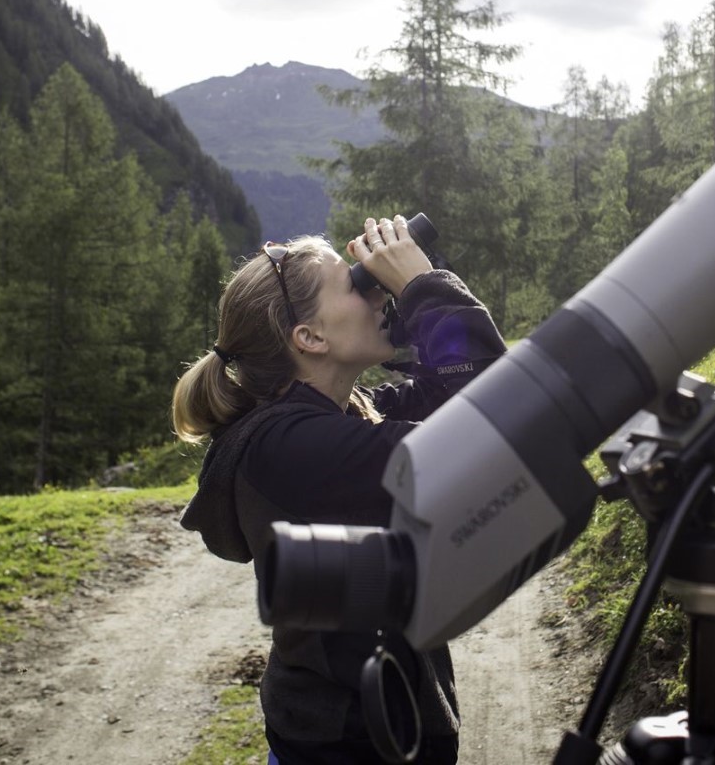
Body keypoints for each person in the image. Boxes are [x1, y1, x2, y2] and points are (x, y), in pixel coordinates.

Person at [173, 214, 506, 765]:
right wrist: (421, 287)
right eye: (355, 285)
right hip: (353, 741)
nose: (373, 293)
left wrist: (414, 303)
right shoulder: (293, 447)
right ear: (309, 337)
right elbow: (497, 430)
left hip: (357, 724)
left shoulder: (333, 418)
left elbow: (454, 390)